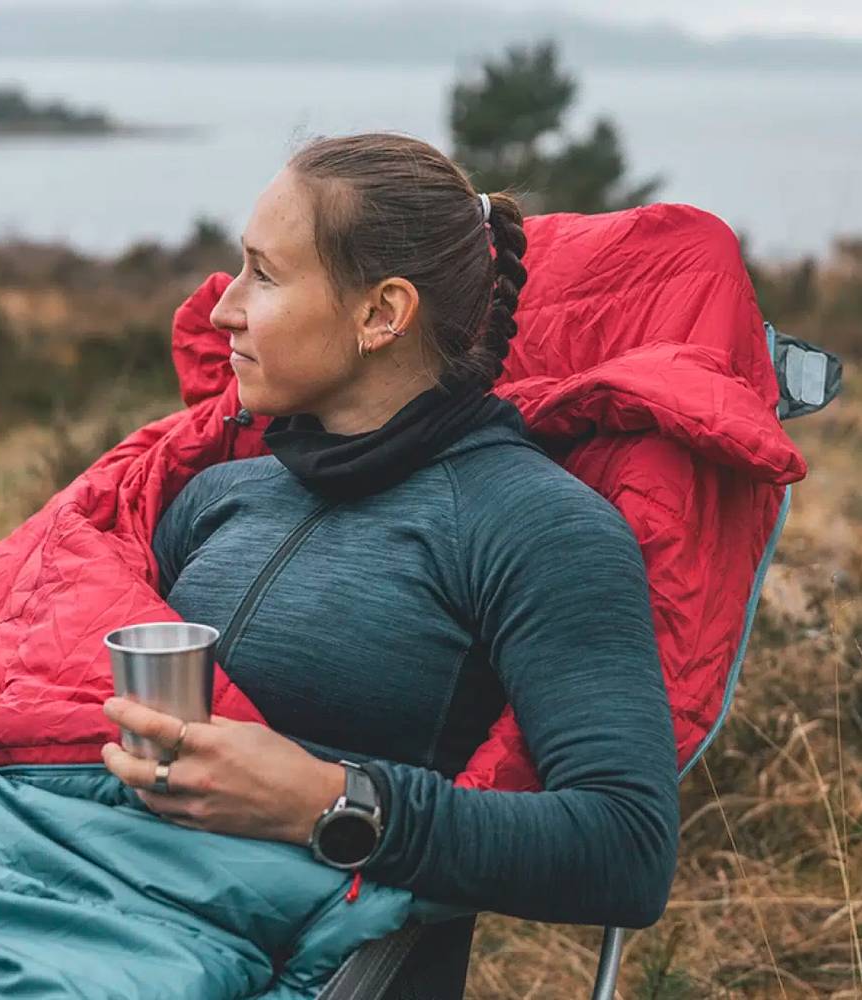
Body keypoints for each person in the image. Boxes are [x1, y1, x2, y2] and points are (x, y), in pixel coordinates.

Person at [98, 132, 680, 993]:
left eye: (264, 275)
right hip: (95, 900)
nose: (224, 311)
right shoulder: (220, 495)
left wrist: (328, 801)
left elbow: (626, 848)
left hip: (293, 962)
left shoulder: (535, 528)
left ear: (382, 314)